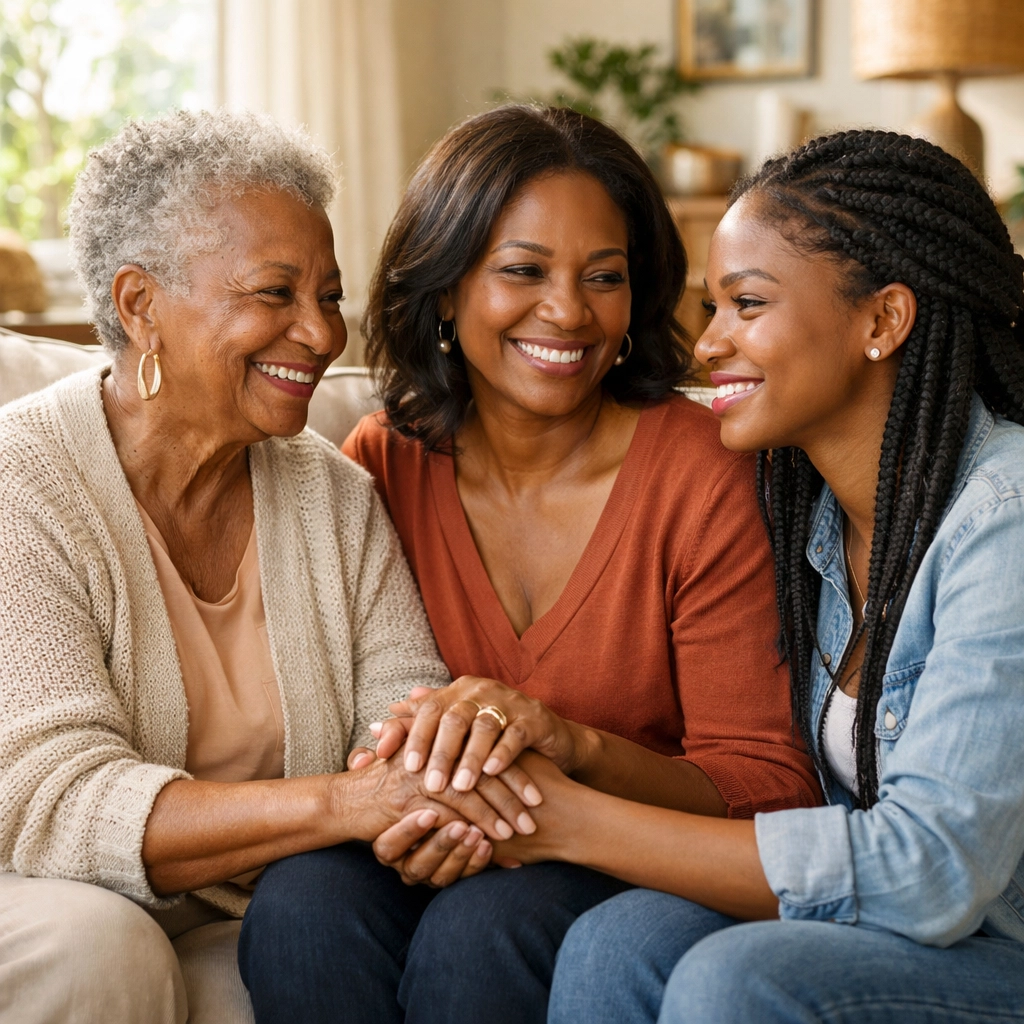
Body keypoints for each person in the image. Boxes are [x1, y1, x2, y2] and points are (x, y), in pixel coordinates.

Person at [241, 104, 819, 1023]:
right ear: (443, 287)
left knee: (489, 925)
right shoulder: (383, 460)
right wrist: (425, 806)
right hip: (446, 833)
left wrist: (567, 751)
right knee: (301, 903)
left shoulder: (708, 471)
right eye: (523, 271)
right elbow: (349, 716)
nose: (568, 312)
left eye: (605, 277)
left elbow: (763, 785)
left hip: (630, 857)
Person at [471, 129, 1024, 1023]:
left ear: (882, 321)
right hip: (910, 939)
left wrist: (567, 822)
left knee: (737, 981)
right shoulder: (806, 514)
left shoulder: (1006, 516)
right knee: (621, 940)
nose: (706, 345)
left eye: (747, 305)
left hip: (1001, 947)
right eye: (709, 306)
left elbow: (932, 872)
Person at [0, 110, 538, 1024]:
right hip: (39, 890)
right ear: (140, 307)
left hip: (245, 904)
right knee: (106, 947)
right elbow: (56, 802)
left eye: (328, 295)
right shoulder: (23, 483)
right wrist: (349, 802)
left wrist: (420, 792)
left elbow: (398, 715)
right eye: (275, 294)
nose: (323, 334)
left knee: (291, 946)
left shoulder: (332, 492)